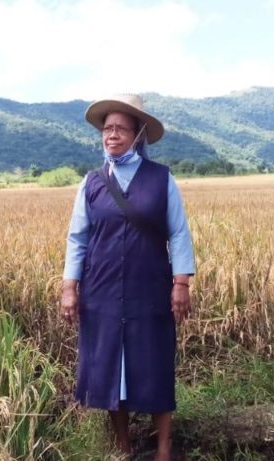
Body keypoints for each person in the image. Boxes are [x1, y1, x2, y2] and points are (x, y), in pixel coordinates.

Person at [60, 94, 195, 460]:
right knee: (108, 368)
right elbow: (78, 236)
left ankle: (163, 448)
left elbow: (179, 233)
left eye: (121, 128)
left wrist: (180, 283)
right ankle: (123, 448)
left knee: (155, 363)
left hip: (150, 286)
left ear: (138, 136)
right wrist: (69, 286)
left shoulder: (160, 179)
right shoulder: (91, 183)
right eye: (107, 129)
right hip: (100, 290)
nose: (112, 135)